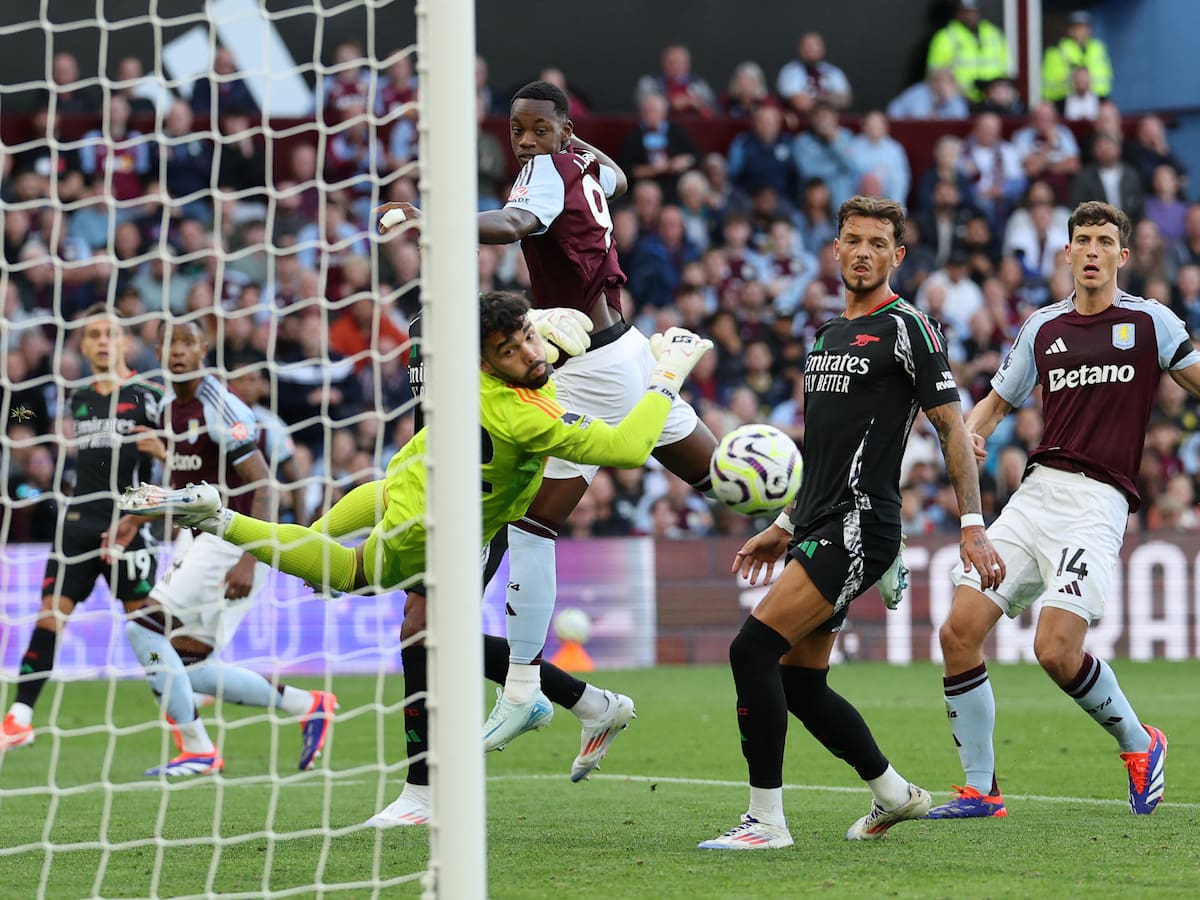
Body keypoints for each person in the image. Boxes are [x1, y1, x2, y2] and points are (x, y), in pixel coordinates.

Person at [120, 291, 715, 819]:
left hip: (425, 504)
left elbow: (383, 490)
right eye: (513, 348)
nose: (529, 353)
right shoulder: (515, 407)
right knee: (405, 617)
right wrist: (665, 375)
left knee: (416, 628)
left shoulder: (473, 381)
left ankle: (445, 775)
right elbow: (627, 445)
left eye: (528, 339)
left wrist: (544, 342)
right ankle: (562, 705)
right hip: (435, 522)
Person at [374, 81, 722, 753]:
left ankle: (525, 693)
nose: (526, 141)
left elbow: (515, 226)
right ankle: (830, 518)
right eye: (518, 131)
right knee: (722, 480)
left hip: (590, 363)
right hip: (608, 350)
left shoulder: (543, 172)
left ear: (561, 128)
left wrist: (429, 218)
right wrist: (577, 148)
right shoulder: (580, 163)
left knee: (532, 526)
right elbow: (614, 177)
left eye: (540, 128)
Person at [697, 195, 1005, 850]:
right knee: (799, 684)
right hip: (817, 522)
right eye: (852, 240)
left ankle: (766, 822)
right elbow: (828, 449)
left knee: (751, 648)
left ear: (896, 255)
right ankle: (894, 794)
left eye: (876, 243)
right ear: (834, 250)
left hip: (861, 525)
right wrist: (785, 520)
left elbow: (951, 427)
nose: (863, 252)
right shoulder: (826, 336)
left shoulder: (908, 327)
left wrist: (972, 522)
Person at [926, 201, 1194, 819]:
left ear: (1122, 257)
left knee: (1055, 650)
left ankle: (1140, 743)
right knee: (958, 631)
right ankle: (981, 790)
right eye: (1083, 241)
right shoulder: (1042, 327)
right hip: (1035, 494)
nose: (1093, 251)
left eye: (1104, 241)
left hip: (1097, 503)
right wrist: (966, 440)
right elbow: (991, 408)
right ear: (1067, 253)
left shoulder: (1152, 322)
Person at [117, 318, 336, 777]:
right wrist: (137, 516)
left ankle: (198, 749)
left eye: (188, 343)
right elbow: (184, 488)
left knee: (142, 628)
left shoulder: (220, 405)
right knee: (188, 663)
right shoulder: (166, 410)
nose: (178, 351)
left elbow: (267, 485)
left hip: (228, 542)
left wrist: (248, 556)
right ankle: (309, 705)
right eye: (170, 344)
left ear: (203, 350)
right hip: (195, 540)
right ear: (158, 351)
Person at [1, 306, 163, 751]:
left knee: (143, 625)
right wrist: (19, 417)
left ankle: (179, 710)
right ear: (84, 345)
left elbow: (181, 455)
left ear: (126, 342)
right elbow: (23, 411)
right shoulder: (77, 397)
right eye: (93, 335)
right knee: (50, 615)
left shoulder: (149, 393)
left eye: (111, 334)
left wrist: (163, 450)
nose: (103, 341)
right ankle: (19, 716)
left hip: (128, 523)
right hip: (78, 521)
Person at [927, 0, 1011, 104]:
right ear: (958, 12)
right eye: (965, 11)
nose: (970, 16)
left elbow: (1006, 69)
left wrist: (1000, 89)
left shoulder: (994, 34)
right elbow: (934, 75)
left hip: (993, 99)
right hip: (960, 101)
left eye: (973, 11)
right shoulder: (945, 37)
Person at [1041, 10, 1113, 104]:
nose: (1083, 31)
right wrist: (1073, 80)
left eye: (1086, 27)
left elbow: (1105, 79)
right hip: (1063, 102)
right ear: (1070, 30)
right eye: (1078, 27)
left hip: (1097, 100)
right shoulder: (1057, 50)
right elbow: (1048, 87)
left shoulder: (1098, 48)